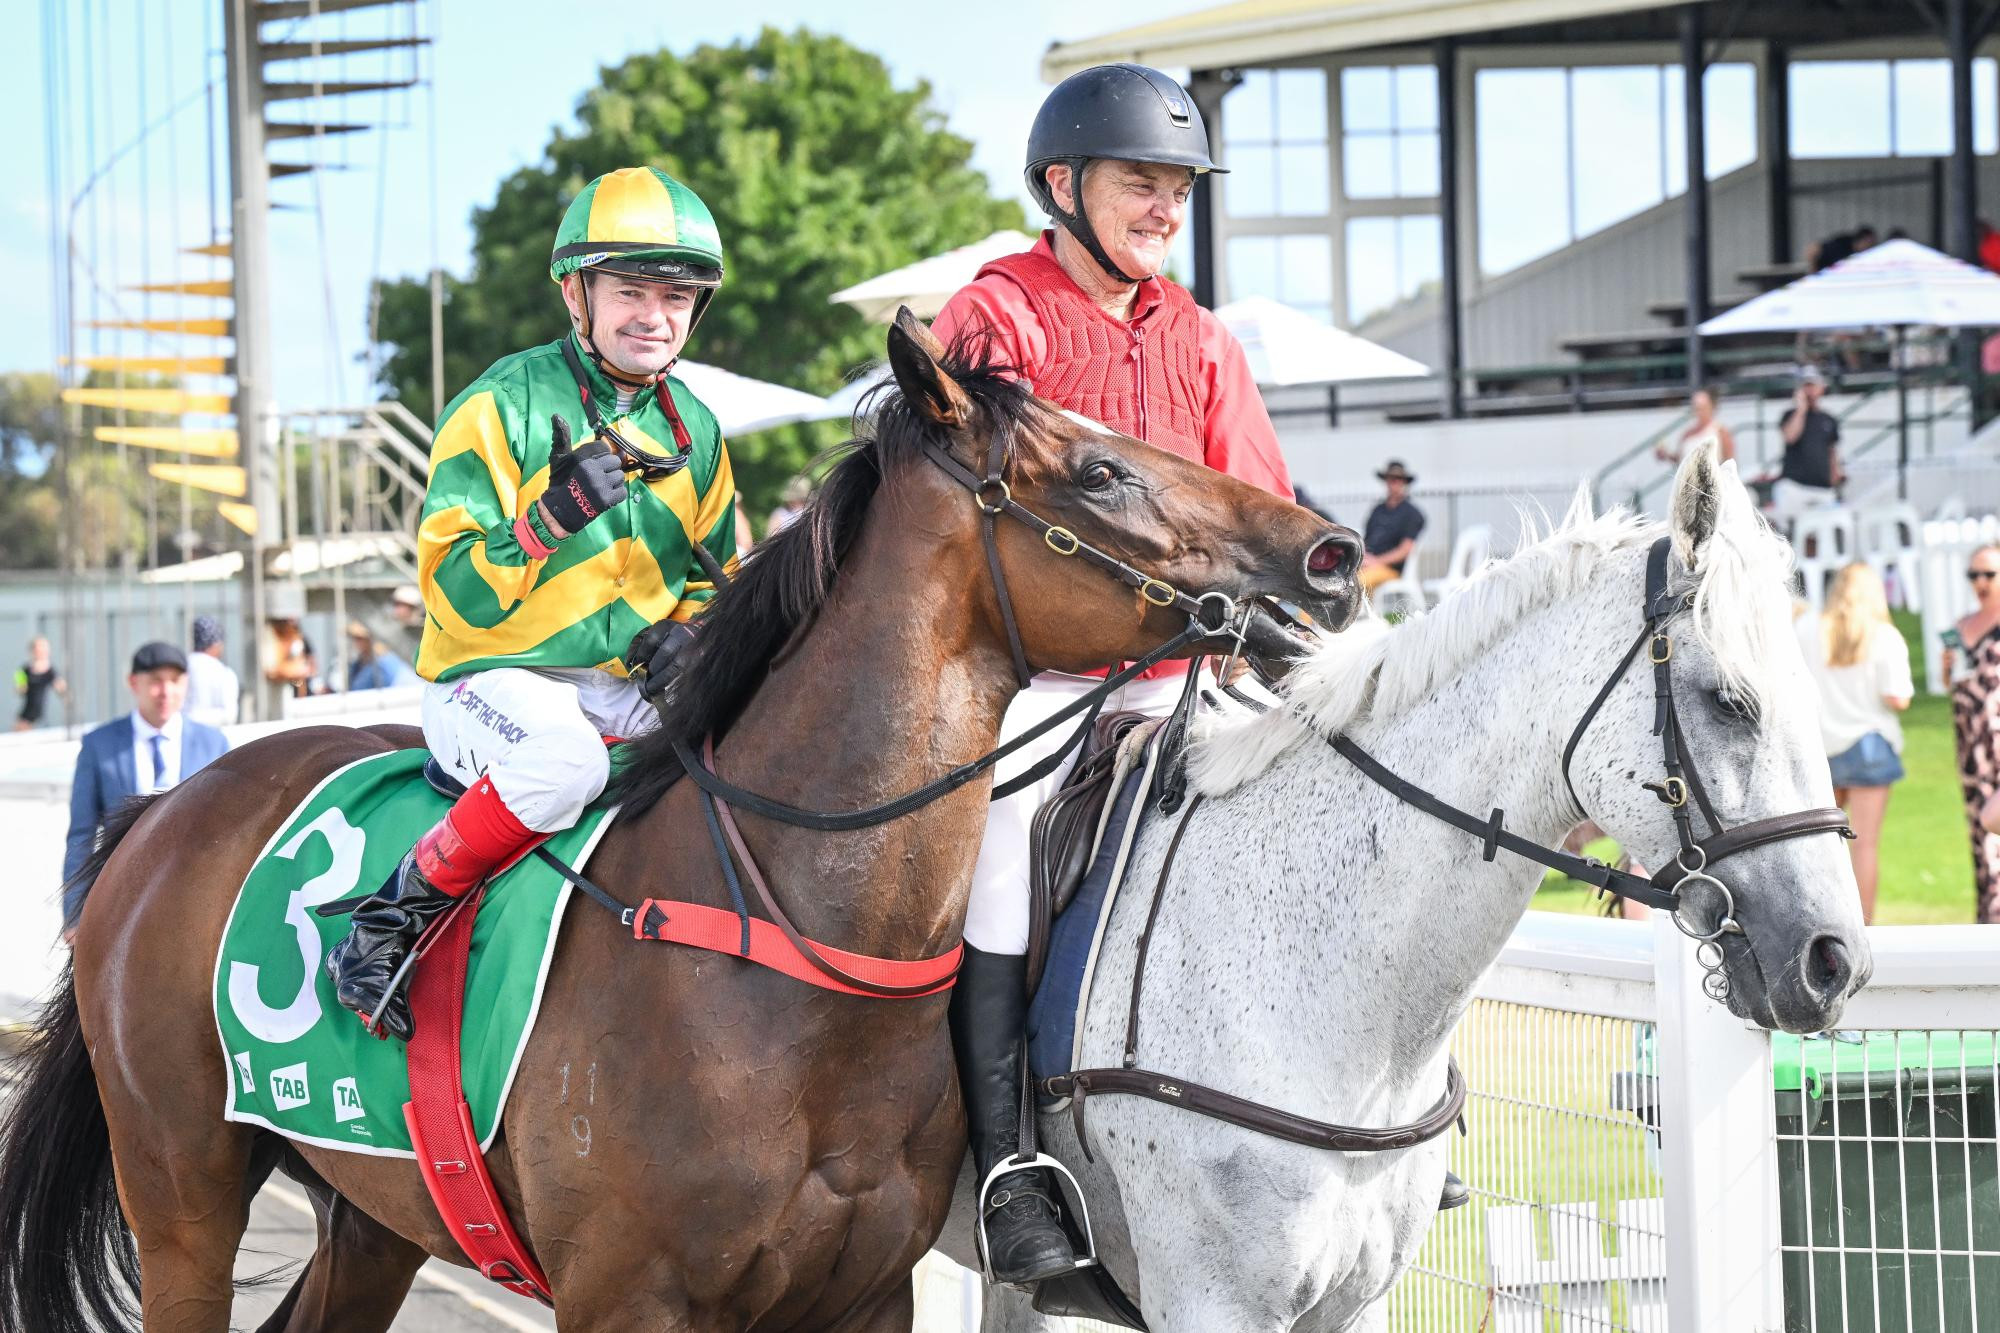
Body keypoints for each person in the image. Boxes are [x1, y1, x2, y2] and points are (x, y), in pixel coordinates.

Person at [931, 62, 1302, 1284]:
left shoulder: (1200, 337)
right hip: (1037, 685)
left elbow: (1258, 503)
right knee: (996, 864)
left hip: (1184, 679)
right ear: (1061, 186)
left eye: (1177, 189)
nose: (1162, 208)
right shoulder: (997, 318)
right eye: (1141, 183)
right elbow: (939, 511)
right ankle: (1002, 1170)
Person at [325, 166, 739, 1040]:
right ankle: (386, 920)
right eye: (629, 291)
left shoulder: (695, 429)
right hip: (490, 676)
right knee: (569, 763)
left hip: (619, 686)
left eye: (675, 296)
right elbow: (452, 591)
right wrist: (547, 520)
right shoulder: (496, 404)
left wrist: (693, 635)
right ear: (574, 293)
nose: (654, 317)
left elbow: (718, 575)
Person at [62, 642, 229, 932]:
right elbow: (81, 837)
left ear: (186, 683)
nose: (166, 692)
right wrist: (75, 916)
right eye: (155, 682)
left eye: (175, 681)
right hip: (119, 906)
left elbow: (231, 831)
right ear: (133, 683)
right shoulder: (99, 746)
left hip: (197, 905)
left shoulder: (213, 745)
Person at [1798, 565, 1912, 923]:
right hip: (1869, 745)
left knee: (1818, 844)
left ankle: (1820, 920)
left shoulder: (1806, 628)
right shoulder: (1883, 635)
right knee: (1865, 846)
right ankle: (1864, 926)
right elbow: (1898, 697)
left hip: (1819, 745)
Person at [1948, 543, 2000, 924]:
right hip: (1970, 747)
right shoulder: (1961, 627)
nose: (1980, 582)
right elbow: (1951, 684)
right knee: (1981, 842)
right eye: (1974, 575)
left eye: (1988, 574)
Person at [1771, 366, 1843, 518]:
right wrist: (1801, 409)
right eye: (1805, 386)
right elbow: (1790, 437)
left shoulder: (1829, 419)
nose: (1809, 391)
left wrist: (1835, 475)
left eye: (1812, 385)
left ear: (1821, 388)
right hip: (1795, 486)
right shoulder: (1790, 415)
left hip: (1823, 487)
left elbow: (1831, 450)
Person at [1358, 461, 1426, 595]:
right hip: (1367, 565)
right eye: (1391, 478)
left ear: (1404, 482)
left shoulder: (1412, 514)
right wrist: (1362, 559)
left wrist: (1376, 561)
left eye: (1398, 479)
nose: (1394, 482)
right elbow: (1365, 541)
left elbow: (1405, 549)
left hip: (1391, 570)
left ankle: (1363, 615)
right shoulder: (1377, 510)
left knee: (1360, 582)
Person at [1656, 386, 1737, 467]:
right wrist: (1666, 455)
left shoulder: (1721, 431)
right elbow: (1681, 460)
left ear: (1712, 407)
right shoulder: (1688, 433)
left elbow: (1729, 463)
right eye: (1697, 408)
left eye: (1703, 408)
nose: (1700, 412)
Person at [184, 614, 241, 728]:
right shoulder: (224, 673)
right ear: (216, 643)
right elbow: (229, 715)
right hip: (213, 737)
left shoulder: (180, 669)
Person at [345, 621, 421, 691]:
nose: (356, 643)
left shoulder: (383, 662)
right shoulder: (358, 663)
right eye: (354, 638)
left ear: (369, 639)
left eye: (359, 639)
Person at [13, 636, 64, 732]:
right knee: (19, 730)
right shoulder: (25, 670)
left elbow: (61, 688)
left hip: (40, 712)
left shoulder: (50, 671)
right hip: (27, 713)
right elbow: (19, 688)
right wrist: (20, 687)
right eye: (38, 650)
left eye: (44, 650)